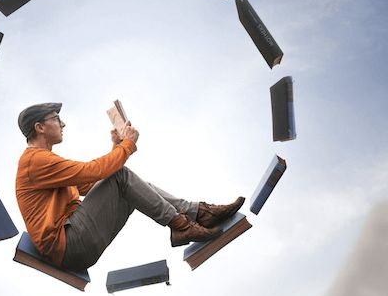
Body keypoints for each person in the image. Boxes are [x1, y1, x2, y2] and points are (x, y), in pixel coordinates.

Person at [15, 103, 244, 272]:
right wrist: (126, 146)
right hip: (70, 244)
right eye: (56, 118)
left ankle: (197, 213)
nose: (62, 123)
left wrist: (115, 147)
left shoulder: (44, 162)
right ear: (40, 127)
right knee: (121, 176)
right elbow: (93, 172)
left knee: (132, 185)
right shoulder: (34, 161)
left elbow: (90, 184)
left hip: (76, 243)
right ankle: (181, 224)